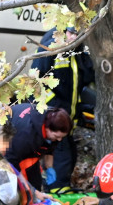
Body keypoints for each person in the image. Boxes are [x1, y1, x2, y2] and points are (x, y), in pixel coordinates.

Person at [33, 27, 94, 192]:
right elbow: (35, 85)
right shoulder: (50, 49)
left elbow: (81, 82)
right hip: (54, 121)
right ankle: (55, 197)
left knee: (69, 157)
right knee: (62, 160)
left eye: (78, 34)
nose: (74, 37)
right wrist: (55, 110)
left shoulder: (77, 52)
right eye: (71, 33)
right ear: (63, 30)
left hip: (67, 121)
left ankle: (56, 191)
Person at [5, 102, 72, 191]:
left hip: (25, 152)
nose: (59, 140)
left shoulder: (53, 116)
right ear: (47, 128)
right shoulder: (26, 135)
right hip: (2, 150)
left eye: (61, 137)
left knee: (35, 185)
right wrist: (28, 188)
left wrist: (49, 167)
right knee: (19, 191)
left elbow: (50, 146)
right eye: (57, 136)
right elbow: (10, 160)